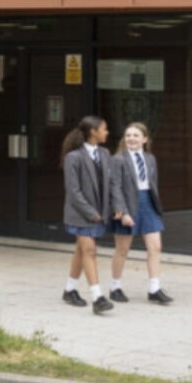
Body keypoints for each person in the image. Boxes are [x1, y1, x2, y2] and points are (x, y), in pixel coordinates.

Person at [106, 122, 172, 304]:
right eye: (128, 135)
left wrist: (156, 206)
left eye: (136, 135)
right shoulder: (118, 159)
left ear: (145, 139)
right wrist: (123, 212)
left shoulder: (150, 159)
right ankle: (115, 287)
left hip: (148, 204)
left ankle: (154, 289)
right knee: (122, 249)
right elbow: (115, 187)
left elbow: (153, 185)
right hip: (127, 205)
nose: (131, 138)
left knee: (155, 247)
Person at [59, 115, 114, 314]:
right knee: (89, 250)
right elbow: (73, 191)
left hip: (99, 212)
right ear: (93, 132)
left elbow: (110, 184)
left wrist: (115, 207)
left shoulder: (105, 153)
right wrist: (91, 213)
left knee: (81, 251)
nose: (107, 132)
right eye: (104, 129)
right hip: (81, 213)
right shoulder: (74, 157)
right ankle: (98, 297)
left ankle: (69, 290)